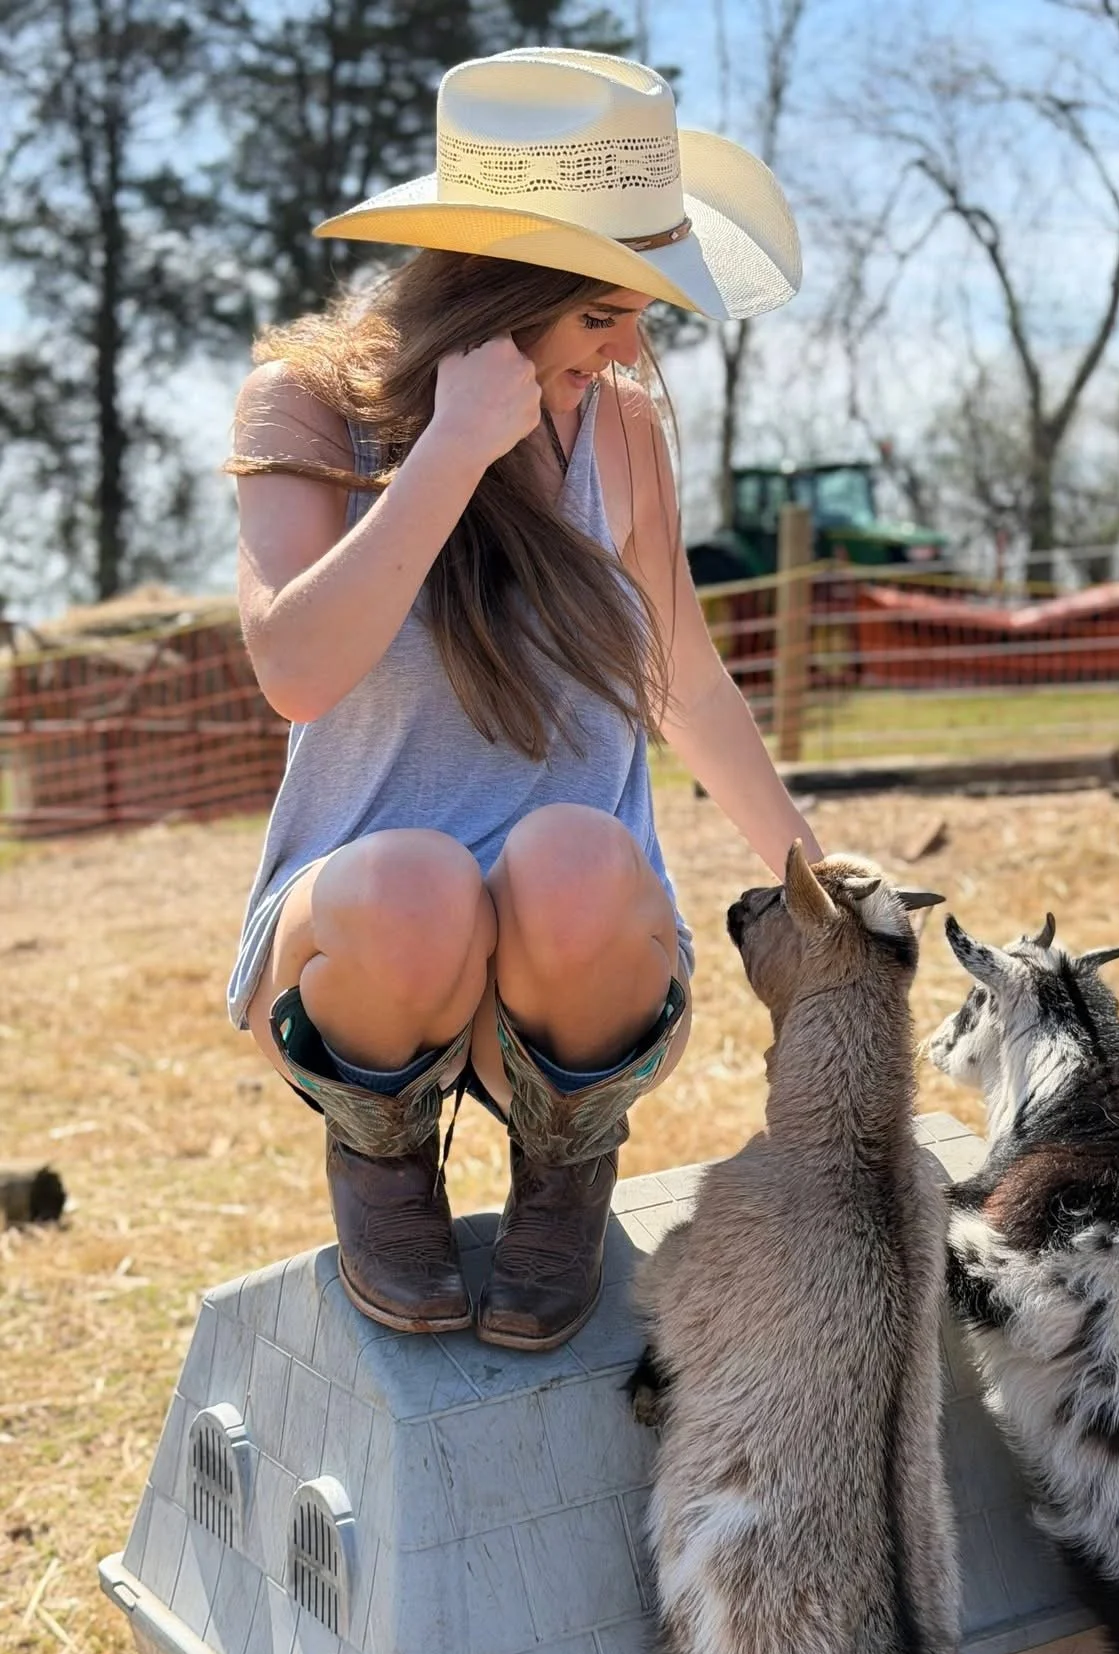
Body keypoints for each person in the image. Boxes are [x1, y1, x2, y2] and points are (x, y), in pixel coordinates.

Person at [226, 48, 821, 1353]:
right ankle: (385, 1154)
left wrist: (809, 875)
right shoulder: (311, 407)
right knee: (414, 883)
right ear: (509, 294)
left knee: (575, 853)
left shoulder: (620, 432)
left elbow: (686, 679)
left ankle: (566, 1158)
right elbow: (298, 670)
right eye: (606, 313)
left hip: (577, 959)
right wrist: (451, 445)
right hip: (366, 964)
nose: (631, 345)